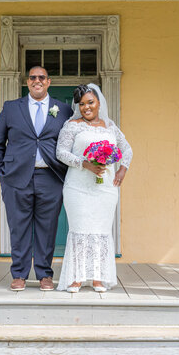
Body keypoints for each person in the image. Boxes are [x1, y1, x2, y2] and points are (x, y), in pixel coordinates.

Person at [0, 66, 73, 291]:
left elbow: (71, 141)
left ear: (49, 81)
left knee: (48, 227)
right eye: (33, 77)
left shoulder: (63, 109)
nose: (37, 81)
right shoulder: (11, 108)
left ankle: (45, 274)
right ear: (28, 82)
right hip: (16, 177)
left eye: (42, 77)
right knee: (19, 227)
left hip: (51, 176)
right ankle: (19, 274)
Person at [56, 84, 133, 292]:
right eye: (82, 104)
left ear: (99, 103)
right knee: (80, 229)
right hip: (78, 187)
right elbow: (61, 152)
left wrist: (122, 171)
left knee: (100, 230)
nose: (86, 107)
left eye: (90, 102)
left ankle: (98, 277)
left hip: (105, 189)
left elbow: (127, 149)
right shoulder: (72, 125)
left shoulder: (110, 127)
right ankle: (76, 278)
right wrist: (85, 163)